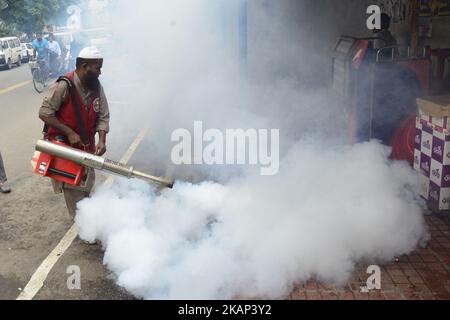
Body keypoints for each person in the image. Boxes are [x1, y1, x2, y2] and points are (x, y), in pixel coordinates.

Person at [38, 47, 110, 220]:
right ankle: (83, 227)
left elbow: (103, 116)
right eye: (97, 68)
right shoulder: (64, 85)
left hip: (87, 148)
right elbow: (44, 112)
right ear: (85, 66)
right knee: (73, 187)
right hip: (66, 151)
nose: (100, 72)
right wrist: (69, 132)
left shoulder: (96, 86)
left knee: (86, 184)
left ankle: (87, 219)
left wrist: (101, 139)